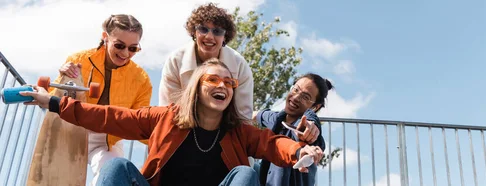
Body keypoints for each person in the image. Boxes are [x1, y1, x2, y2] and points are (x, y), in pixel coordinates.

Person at [22, 58, 323, 186]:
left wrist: (300, 152)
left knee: (245, 174)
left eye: (229, 82)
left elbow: (273, 144)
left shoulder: (239, 131)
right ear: (197, 87)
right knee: (116, 166)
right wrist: (53, 101)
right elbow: (110, 117)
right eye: (213, 79)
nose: (222, 86)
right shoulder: (165, 118)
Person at [54, 14, 152, 185]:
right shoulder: (79, 60)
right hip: (71, 130)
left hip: (107, 140)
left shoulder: (141, 79)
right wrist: (62, 78)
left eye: (133, 48)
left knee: (111, 172)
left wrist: (165, 137)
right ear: (105, 37)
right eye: (119, 45)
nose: (125, 53)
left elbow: (140, 122)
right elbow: (52, 95)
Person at [159, 2, 253, 121]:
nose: (209, 36)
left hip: (225, 132)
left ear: (225, 37)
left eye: (217, 31)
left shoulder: (240, 65)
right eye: (203, 29)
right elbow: (168, 111)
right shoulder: (176, 61)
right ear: (194, 32)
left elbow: (243, 116)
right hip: (182, 127)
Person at [254, 73, 332, 186]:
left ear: (315, 107)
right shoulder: (278, 118)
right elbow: (256, 115)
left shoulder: (305, 124)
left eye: (305, 97)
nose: (295, 98)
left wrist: (310, 128)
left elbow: (310, 123)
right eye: (295, 90)